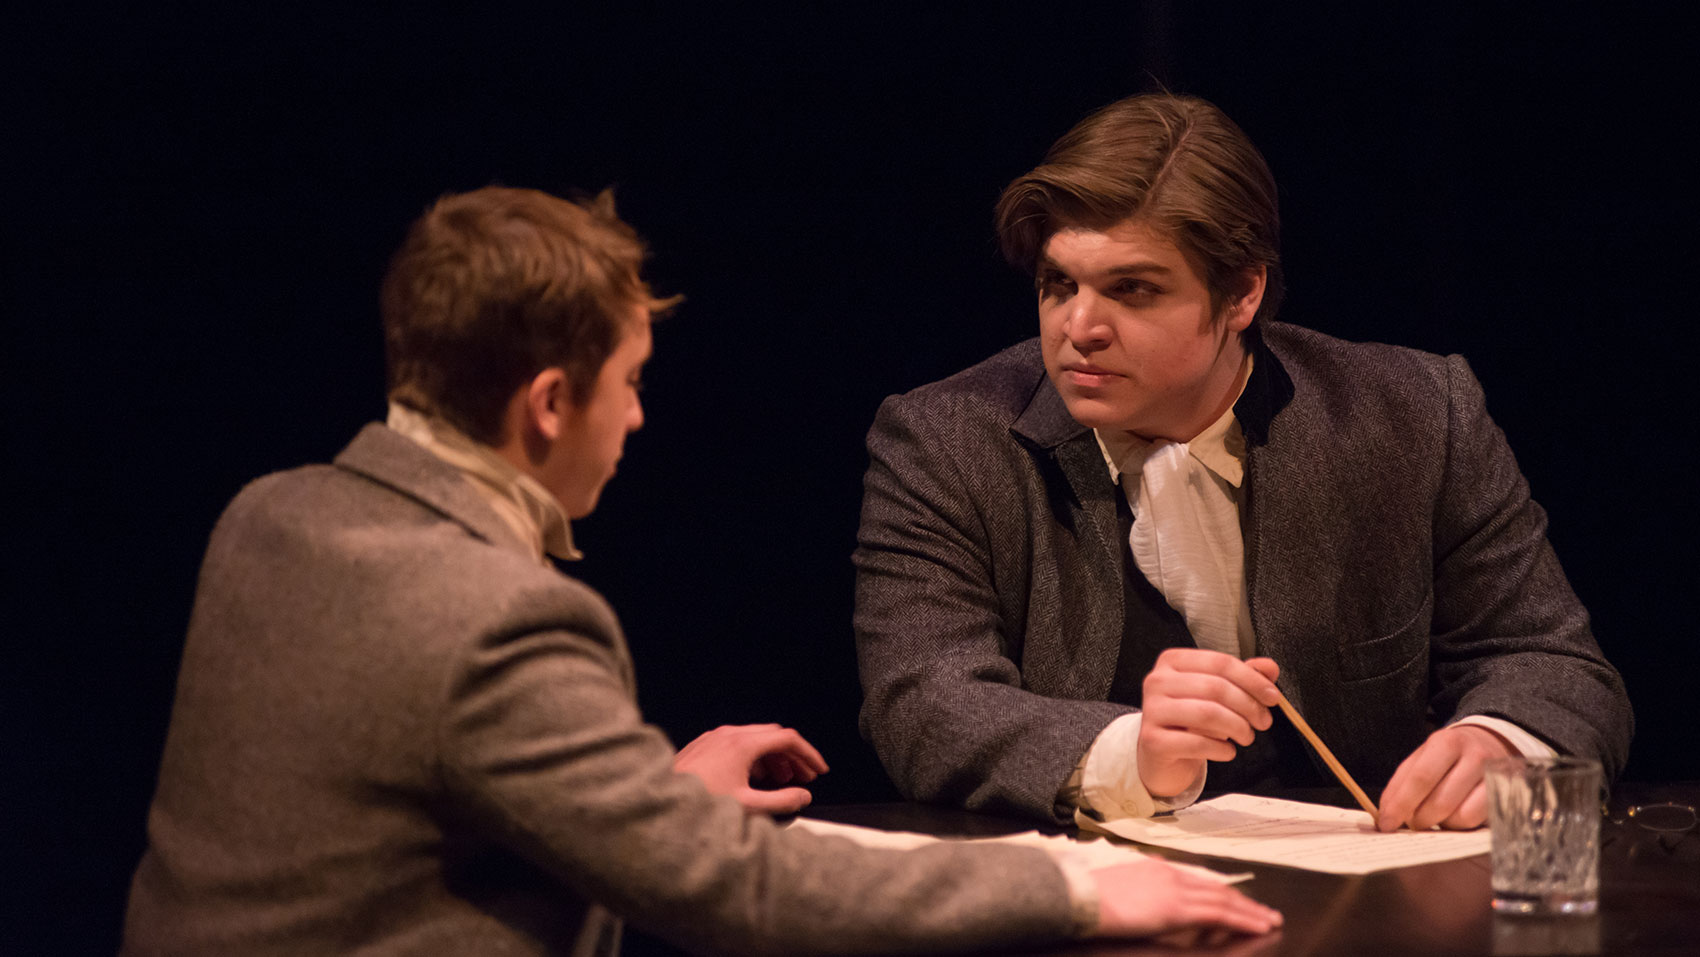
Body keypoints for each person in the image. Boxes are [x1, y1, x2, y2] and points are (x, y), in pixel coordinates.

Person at [121, 185, 1281, 955]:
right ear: (545, 405)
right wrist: (1077, 890)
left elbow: (411, 793)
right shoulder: (498, 616)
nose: (633, 421)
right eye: (626, 382)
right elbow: (740, 894)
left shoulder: (271, 516)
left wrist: (650, 797)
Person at [853, 93, 1631, 835]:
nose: (1078, 326)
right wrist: (1135, 753)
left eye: (1132, 289)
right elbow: (925, 700)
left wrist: (1504, 738)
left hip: (1374, 896)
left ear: (1242, 294)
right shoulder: (947, 438)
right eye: (1060, 284)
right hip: (1094, 901)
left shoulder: (1416, 412)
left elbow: (1551, 660)